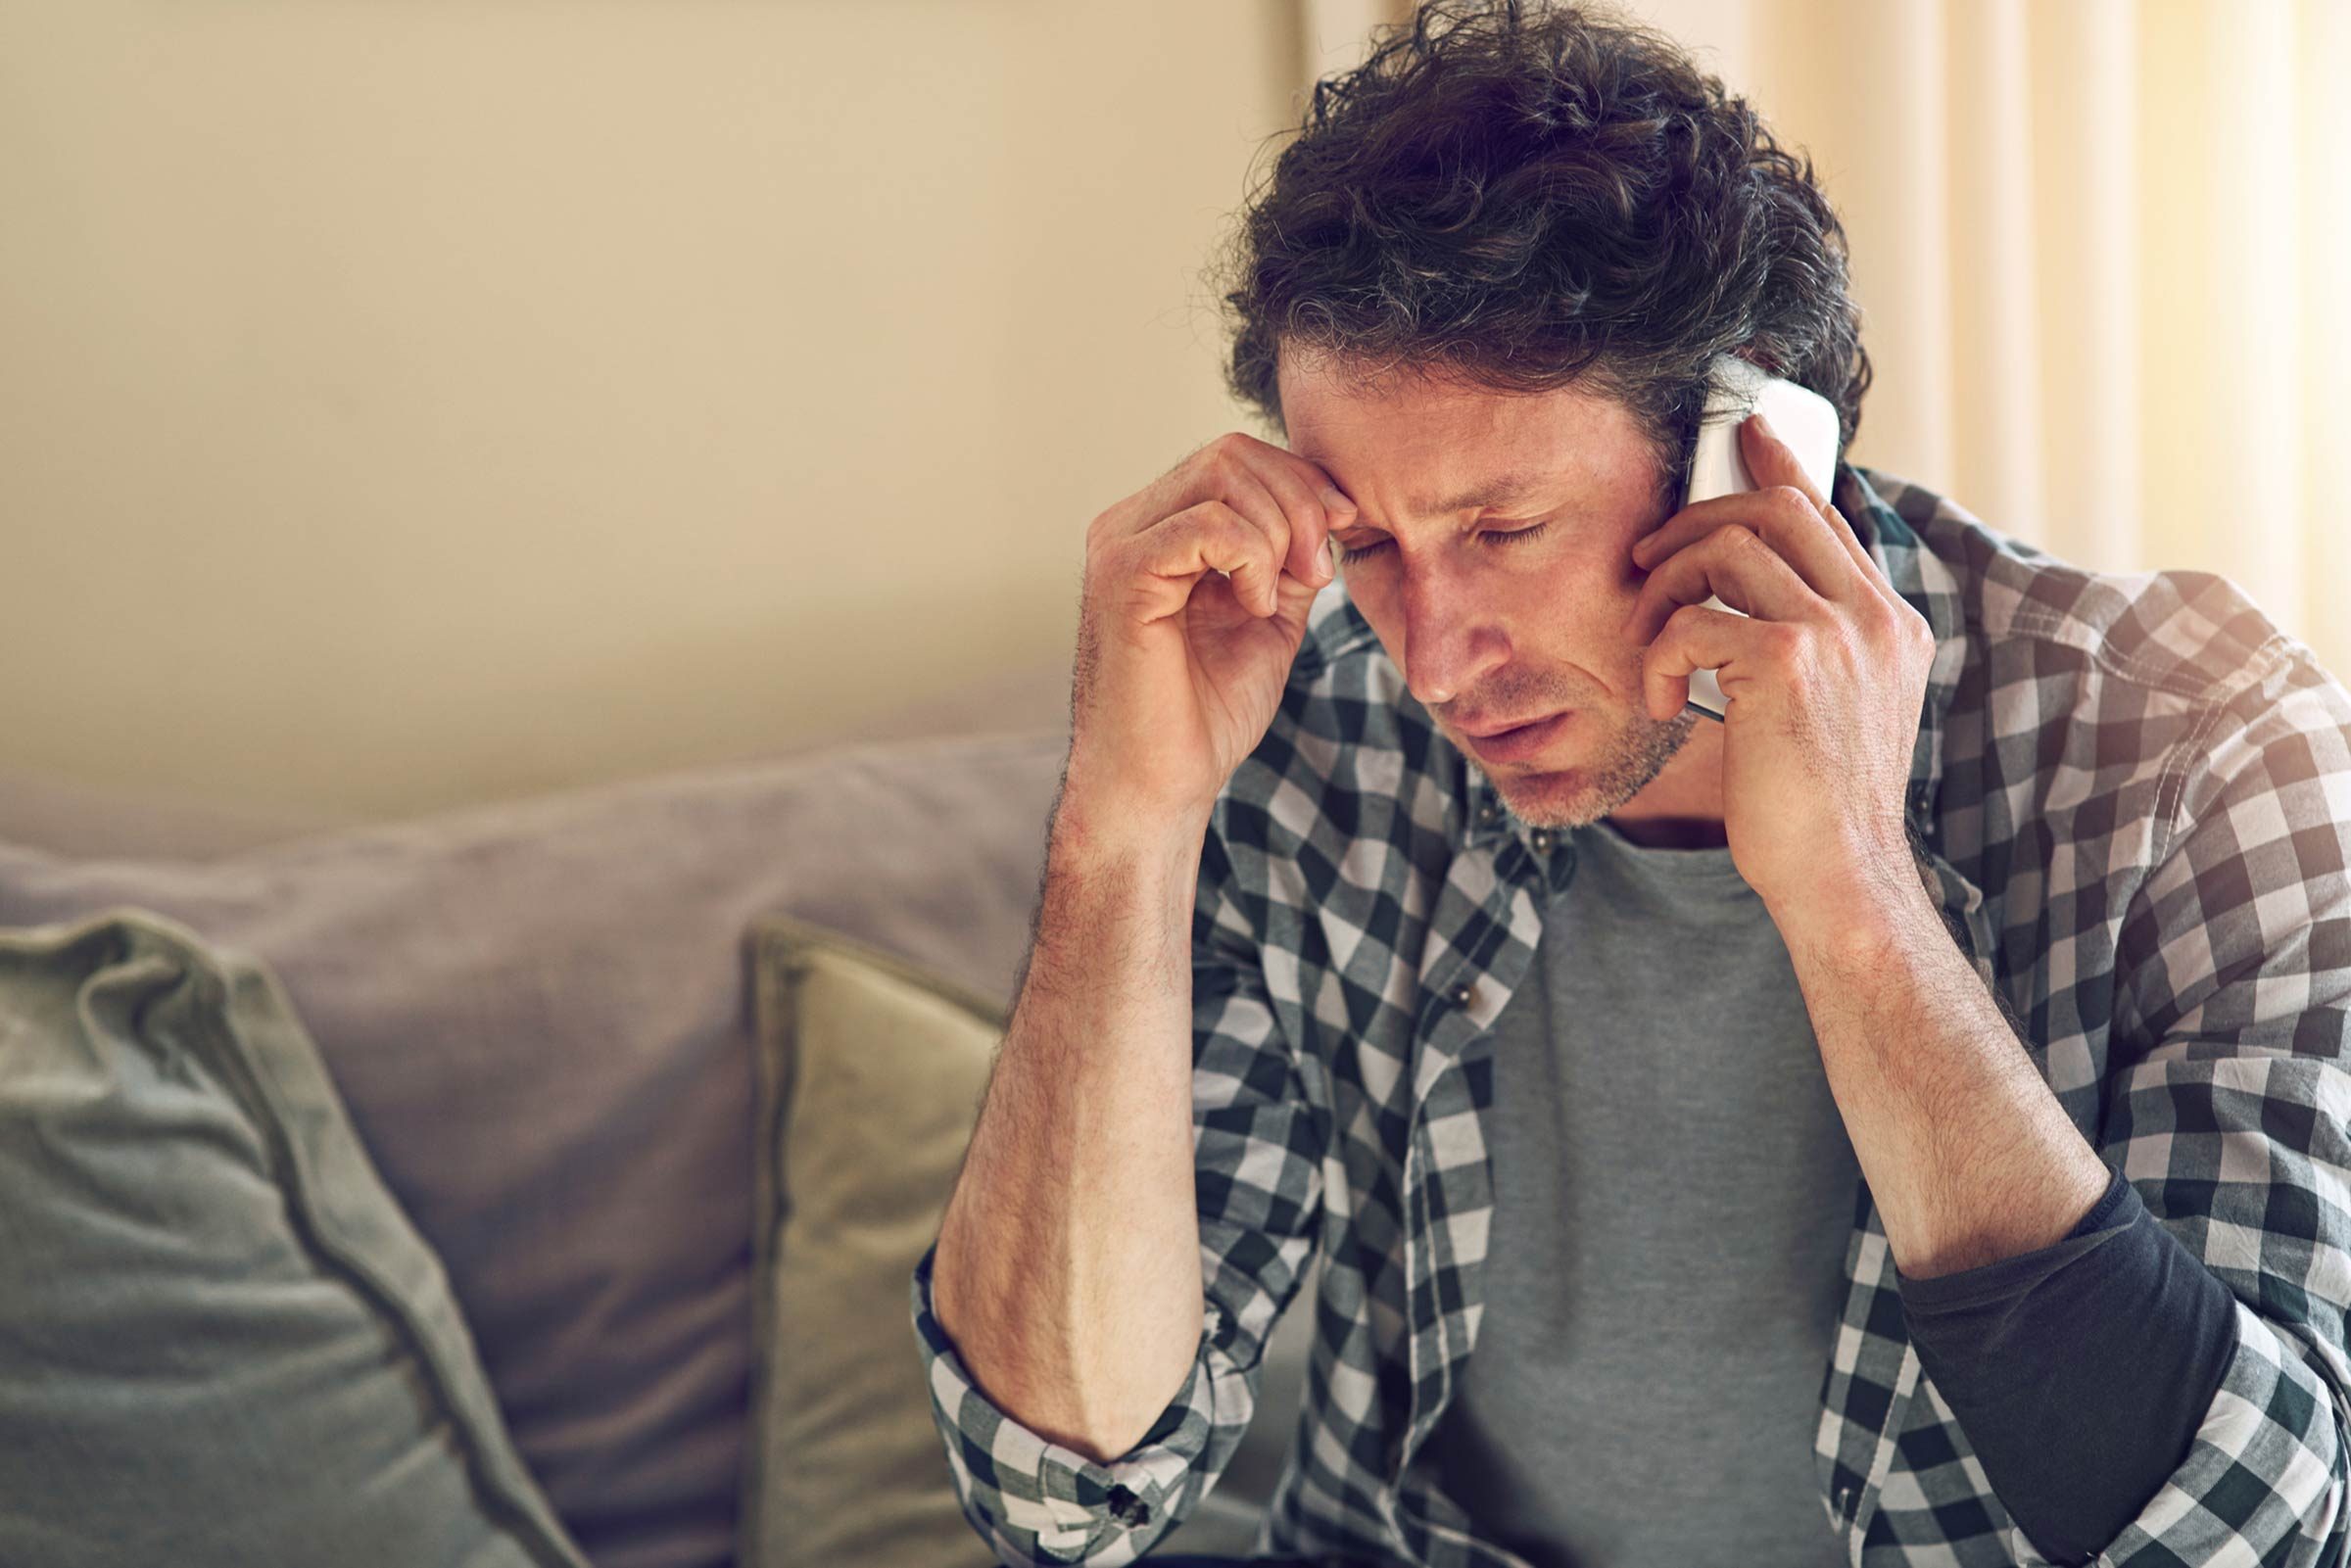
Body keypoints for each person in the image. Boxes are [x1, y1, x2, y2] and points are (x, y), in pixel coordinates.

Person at [911, 3, 2351, 1565]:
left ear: (1759, 449)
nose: (1437, 657)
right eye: (1377, 547)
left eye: (1504, 530)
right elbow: (1061, 1498)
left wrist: (1856, 894)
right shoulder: (1312, 743)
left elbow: (2253, 1536)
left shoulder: (2203, 752)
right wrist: (1124, 832)